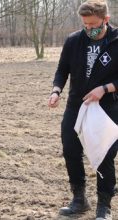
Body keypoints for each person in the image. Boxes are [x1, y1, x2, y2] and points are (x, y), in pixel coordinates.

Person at [48, 1, 117, 219]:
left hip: (107, 106)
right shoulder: (73, 41)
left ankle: (103, 206)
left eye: (93, 25)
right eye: (85, 25)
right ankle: (79, 199)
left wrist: (105, 89)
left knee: (104, 154)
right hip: (77, 104)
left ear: (106, 20)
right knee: (70, 150)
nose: (88, 29)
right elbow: (62, 70)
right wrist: (56, 91)